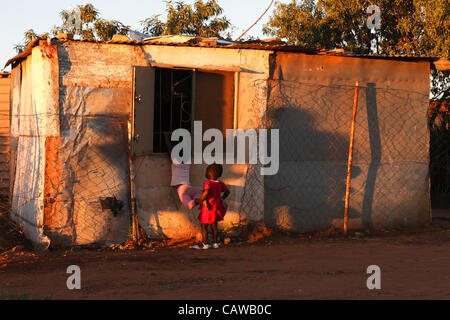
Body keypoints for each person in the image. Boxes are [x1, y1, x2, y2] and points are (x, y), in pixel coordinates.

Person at [193, 164, 230, 250]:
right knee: (214, 226)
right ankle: (215, 243)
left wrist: (201, 200)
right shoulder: (220, 184)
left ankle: (205, 244)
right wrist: (222, 198)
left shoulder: (208, 183)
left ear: (209, 173)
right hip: (216, 208)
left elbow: (206, 192)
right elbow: (227, 191)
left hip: (208, 208)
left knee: (204, 226)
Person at [164, 132, 200, 210]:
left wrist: (166, 137)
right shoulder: (187, 161)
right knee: (195, 195)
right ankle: (199, 199)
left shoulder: (175, 161)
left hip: (182, 188)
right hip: (188, 186)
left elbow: (169, 148)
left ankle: (194, 201)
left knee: (189, 204)